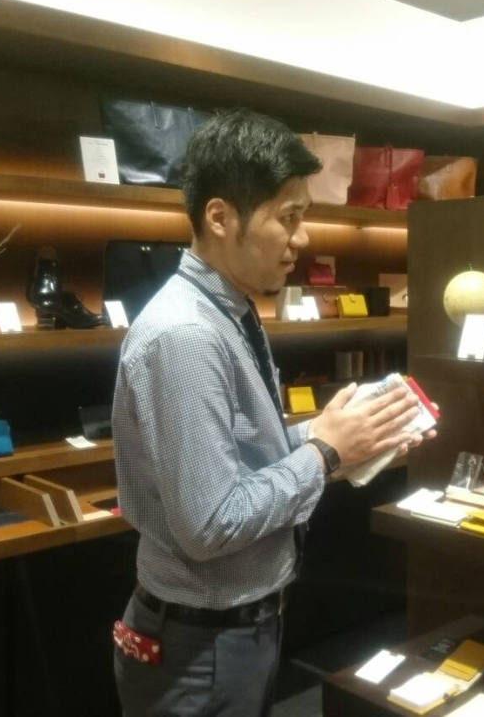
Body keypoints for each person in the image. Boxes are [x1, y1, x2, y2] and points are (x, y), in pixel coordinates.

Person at [112, 108, 430, 716]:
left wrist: (340, 435)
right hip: (202, 646)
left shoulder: (227, 310)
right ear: (220, 217)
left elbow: (241, 451)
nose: (301, 239)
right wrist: (325, 452)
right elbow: (211, 524)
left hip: (226, 633)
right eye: (288, 218)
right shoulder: (186, 334)